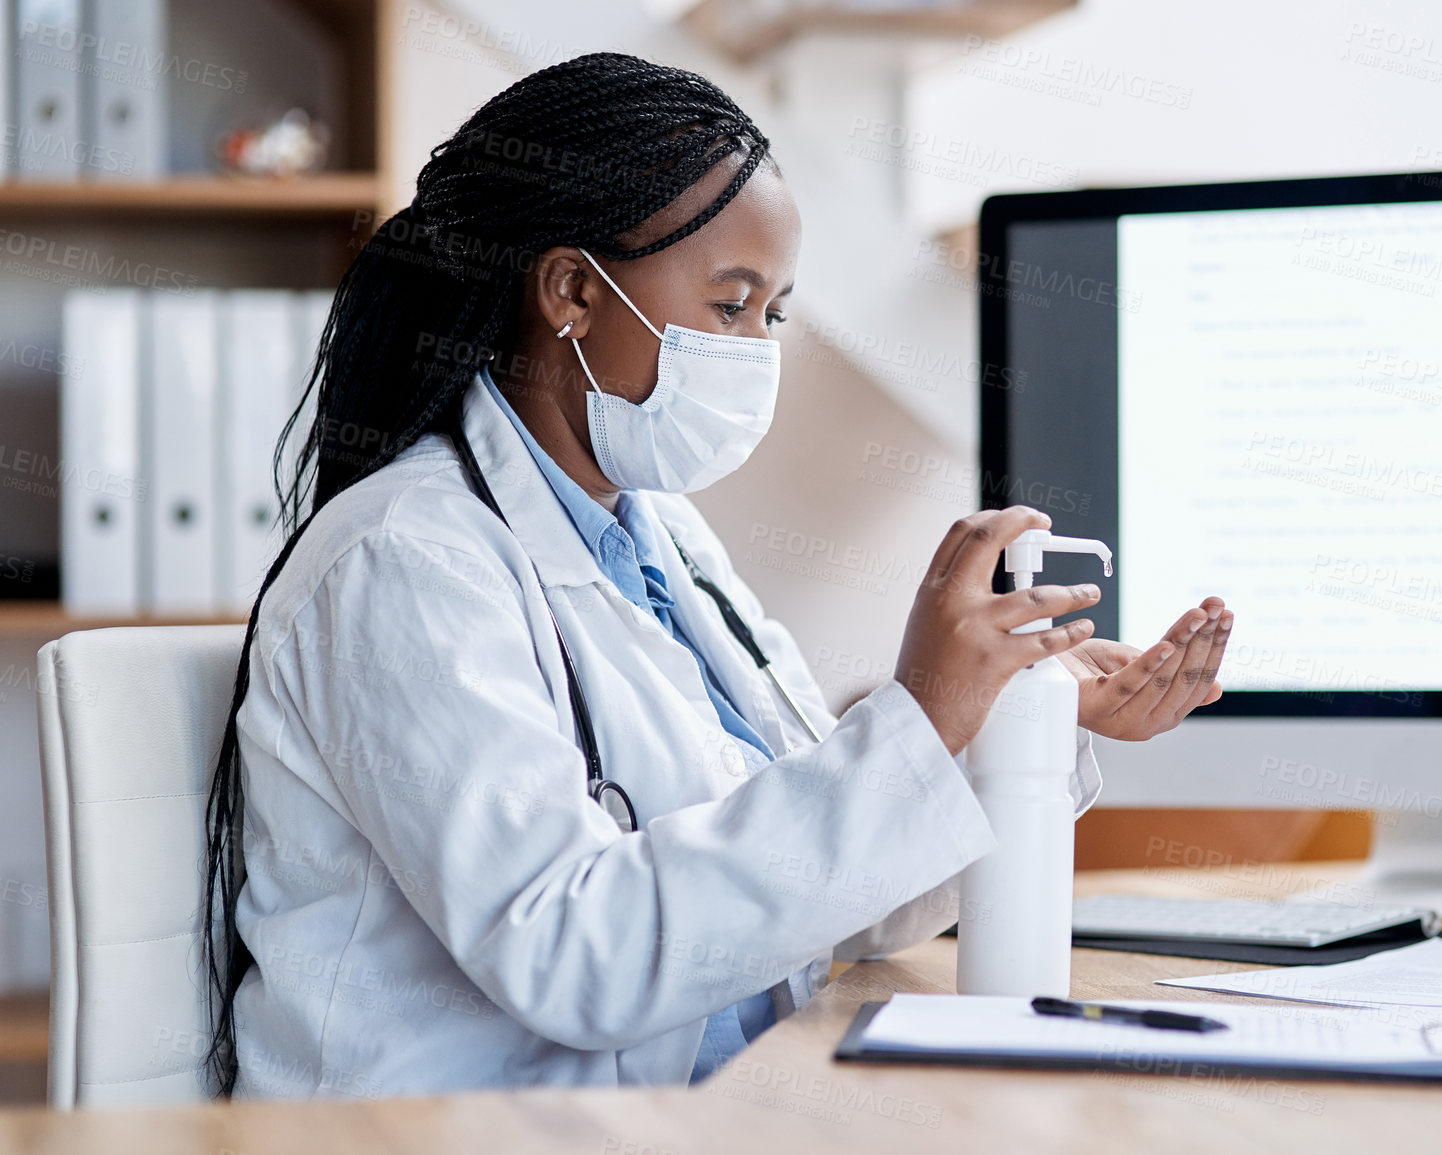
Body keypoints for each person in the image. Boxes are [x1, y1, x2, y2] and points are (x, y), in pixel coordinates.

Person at [201, 52, 1233, 1100]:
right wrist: (916, 717)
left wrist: (1004, 720)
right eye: (731, 305)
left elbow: (821, 893)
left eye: (773, 316)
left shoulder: (664, 543)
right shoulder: (404, 562)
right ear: (570, 291)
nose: (753, 351)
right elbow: (575, 957)